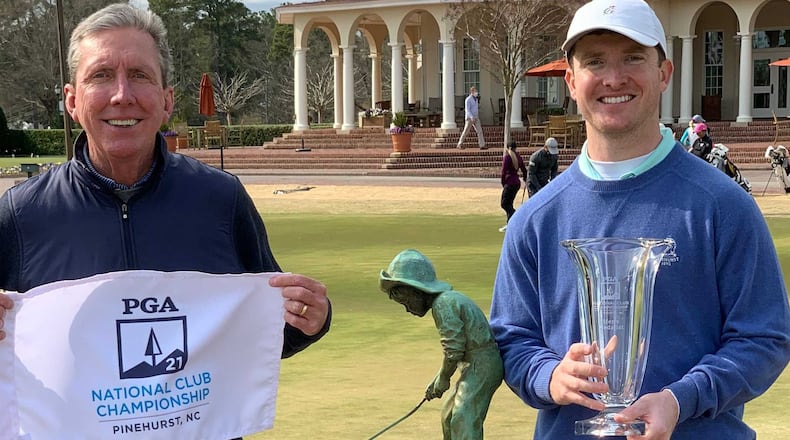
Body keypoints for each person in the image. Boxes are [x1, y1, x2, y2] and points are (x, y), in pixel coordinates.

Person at [0, 4, 331, 437]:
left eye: (140, 75)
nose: (122, 94)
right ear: (72, 101)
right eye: (101, 76)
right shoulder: (22, 216)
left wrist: (310, 320)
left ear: (166, 100)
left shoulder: (220, 199)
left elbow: (258, 330)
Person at [489, 1, 790, 439]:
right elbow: (511, 340)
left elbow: (764, 338)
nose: (614, 78)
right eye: (595, 62)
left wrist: (679, 399)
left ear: (663, 73)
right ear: (571, 81)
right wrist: (550, 375)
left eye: (633, 57)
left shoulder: (723, 205)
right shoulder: (534, 219)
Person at [380, 249, 503, 440]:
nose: (407, 309)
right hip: (474, 364)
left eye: (406, 301)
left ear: (418, 291)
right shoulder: (445, 301)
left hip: (483, 364)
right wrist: (438, 379)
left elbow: (453, 351)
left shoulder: (443, 303)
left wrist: (443, 379)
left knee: (463, 417)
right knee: (449, 414)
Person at [498, 140, 529, 232]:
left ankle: (517, 218)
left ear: (508, 148)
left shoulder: (507, 157)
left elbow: (503, 172)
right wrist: (525, 178)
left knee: (504, 204)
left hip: (510, 183)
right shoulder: (518, 157)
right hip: (516, 183)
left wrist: (503, 183)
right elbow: (524, 169)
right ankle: (510, 223)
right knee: (509, 203)